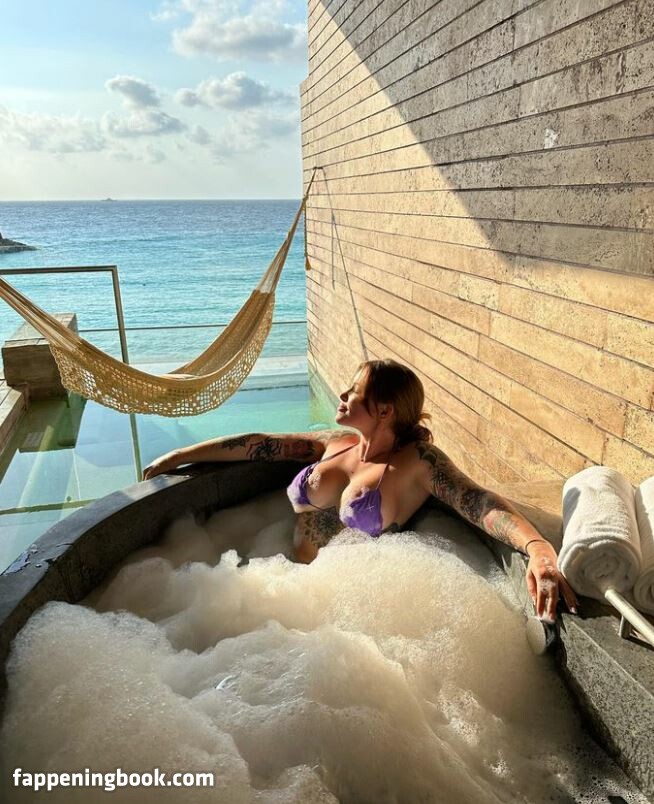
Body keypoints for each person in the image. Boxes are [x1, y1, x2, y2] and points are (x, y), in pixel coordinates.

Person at [143, 358, 579, 622]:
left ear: (384, 410)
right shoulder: (336, 445)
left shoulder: (416, 463)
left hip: (342, 608)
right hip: (282, 581)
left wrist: (537, 547)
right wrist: (180, 455)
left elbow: (478, 502)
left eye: (355, 390)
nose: (342, 394)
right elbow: (259, 444)